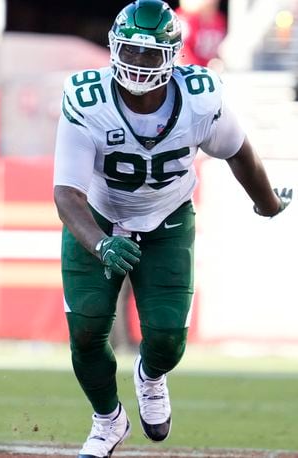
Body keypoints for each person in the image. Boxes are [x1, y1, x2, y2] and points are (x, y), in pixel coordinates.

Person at [53, 2, 292, 457]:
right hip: (98, 216)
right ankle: (107, 420)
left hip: (168, 217)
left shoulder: (200, 98)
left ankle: (150, 374)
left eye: (150, 54)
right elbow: (67, 193)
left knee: (166, 338)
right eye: (130, 50)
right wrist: (101, 243)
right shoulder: (89, 100)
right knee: (86, 330)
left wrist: (268, 201)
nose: (138, 63)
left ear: (173, 56)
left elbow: (239, 151)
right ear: (113, 48)